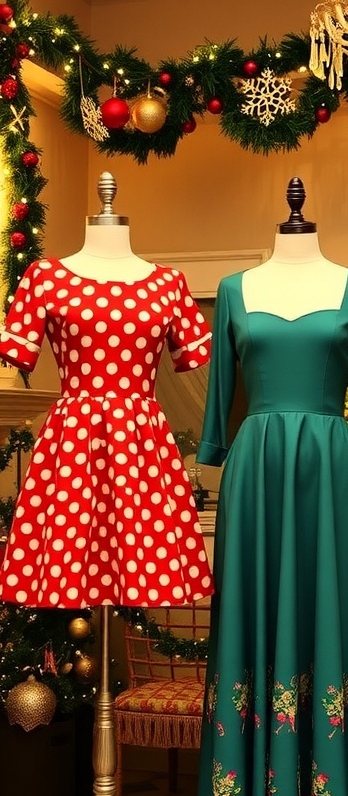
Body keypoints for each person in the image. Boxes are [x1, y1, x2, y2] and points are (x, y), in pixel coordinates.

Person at [194, 179, 348, 796]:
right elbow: (220, 405)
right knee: (258, 633)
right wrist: (213, 449)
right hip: (256, 475)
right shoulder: (234, 291)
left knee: (332, 634)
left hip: (335, 477)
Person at [0, 172, 213, 608]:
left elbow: (192, 356)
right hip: (73, 439)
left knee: (142, 549)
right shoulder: (44, 278)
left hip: (141, 442)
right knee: (69, 538)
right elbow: (20, 350)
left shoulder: (169, 284)